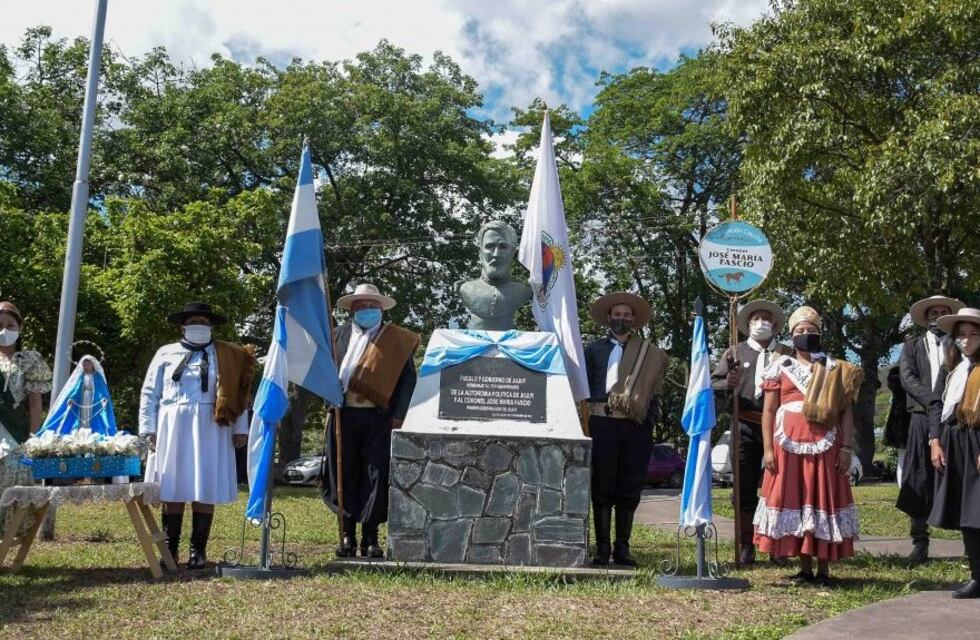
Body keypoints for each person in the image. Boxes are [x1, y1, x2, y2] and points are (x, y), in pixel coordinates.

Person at [139, 302, 255, 569]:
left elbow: (239, 393)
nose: (198, 326)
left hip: (212, 426)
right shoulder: (165, 353)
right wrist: (148, 429)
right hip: (172, 425)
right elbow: (149, 393)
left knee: (205, 484)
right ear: (183, 326)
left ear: (211, 326)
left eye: (203, 322)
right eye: (193, 322)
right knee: (172, 485)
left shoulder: (227, 355)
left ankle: (198, 550)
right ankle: (170, 549)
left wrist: (240, 428)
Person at [753, 306, 862, 584]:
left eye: (811, 330)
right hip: (787, 445)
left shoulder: (835, 369)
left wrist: (847, 448)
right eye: (800, 331)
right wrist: (767, 450)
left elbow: (846, 413)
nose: (806, 334)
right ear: (791, 336)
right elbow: (768, 411)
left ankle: (824, 569)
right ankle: (804, 568)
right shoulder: (780, 366)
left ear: (820, 334)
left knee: (822, 498)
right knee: (797, 498)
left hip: (826, 444)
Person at [323, 283, 419, 558]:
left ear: (381, 309)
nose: (367, 310)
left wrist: (399, 416)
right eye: (362, 306)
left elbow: (407, 381)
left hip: (379, 418)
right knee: (343, 472)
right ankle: (347, 534)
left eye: (372, 306)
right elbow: (325, 372)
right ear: (352, 310)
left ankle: (370, 537)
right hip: (343, 415)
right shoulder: (337, 336)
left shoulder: (396, 340)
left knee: (375, 474)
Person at [584, 292, 667, 567]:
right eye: (617, 314)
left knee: (630, 485)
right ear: (608, 318)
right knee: (602, 485)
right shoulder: (593, 350)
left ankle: (622, 549)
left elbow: (653, 393)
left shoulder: (648, 353)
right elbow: (583, 388)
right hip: (602, 423)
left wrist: (647, 422)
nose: (622, 319)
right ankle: (602, 549)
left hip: (635, 427)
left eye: (627, 315)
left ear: (634, 319)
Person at [711, 299, 791, 565]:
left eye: (766, 318)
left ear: (775, 324)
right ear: (747, 324)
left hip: (780, 428)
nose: (761, 323)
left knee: (779, 487)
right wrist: (727, 382)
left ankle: (777, 543)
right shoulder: (735, 352)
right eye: (755, 318)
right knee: (744, 487)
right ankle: (746, 542)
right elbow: (713, 383)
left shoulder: (787, 354)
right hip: (744, 424)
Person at [897, 295, 963, 562]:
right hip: (921, 417)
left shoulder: (958, 346)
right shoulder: (911, 345)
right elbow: (907, 377)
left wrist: (945, 402)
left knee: (957, 474)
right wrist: (931, 399)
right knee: (918, 477)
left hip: (952, 418)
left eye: (943, 311)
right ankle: (920, 541)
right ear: (925, 318)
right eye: (933, 312)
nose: (937, 315)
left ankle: (969, 542)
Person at [928, 307, 980, 598]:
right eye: (961, 335)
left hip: (978, 440)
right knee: (967, 513)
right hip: (954, 440)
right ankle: (977, 575)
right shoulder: (952, 369)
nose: (967, 340)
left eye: (973, 334)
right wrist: (935, 440)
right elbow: (936, 404)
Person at [0, 301, 52, 534]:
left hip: (16, 434)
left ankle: (10, 534)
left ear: (19, 328)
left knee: (15, 480)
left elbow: (34, 401)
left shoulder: (29, 360)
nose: (4, 330)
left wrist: (33, 435)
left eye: (9, 325)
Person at [456, 221, 533, 331]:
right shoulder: (464, 288)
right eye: (489, 246)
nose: (496, 254)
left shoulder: (524, 290)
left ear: (512, 252)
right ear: (480, 252)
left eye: (503, 247)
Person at [882, 365, 910, 487]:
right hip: (904, 421)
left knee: (902, 458)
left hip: (898, 422)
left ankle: (902, 487)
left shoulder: (895, 387)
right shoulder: (905, 382)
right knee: (904, 458)